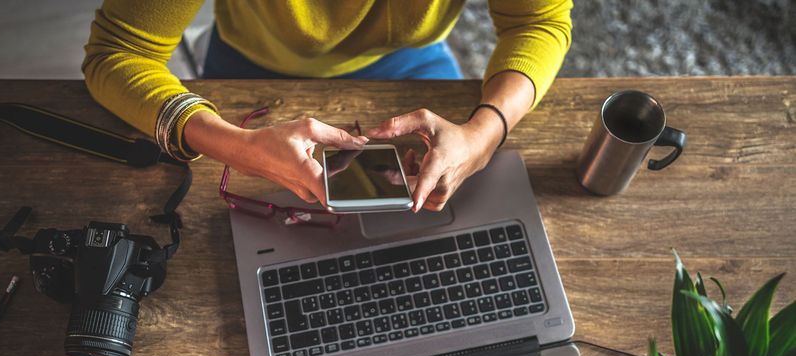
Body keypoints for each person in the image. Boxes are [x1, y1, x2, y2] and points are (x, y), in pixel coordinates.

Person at [83, 1, 572, 212]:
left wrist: (485, 134)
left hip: (406, 58)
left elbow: (540, 22)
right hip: (252, 59)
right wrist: (237, 147)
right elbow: (118, 53)